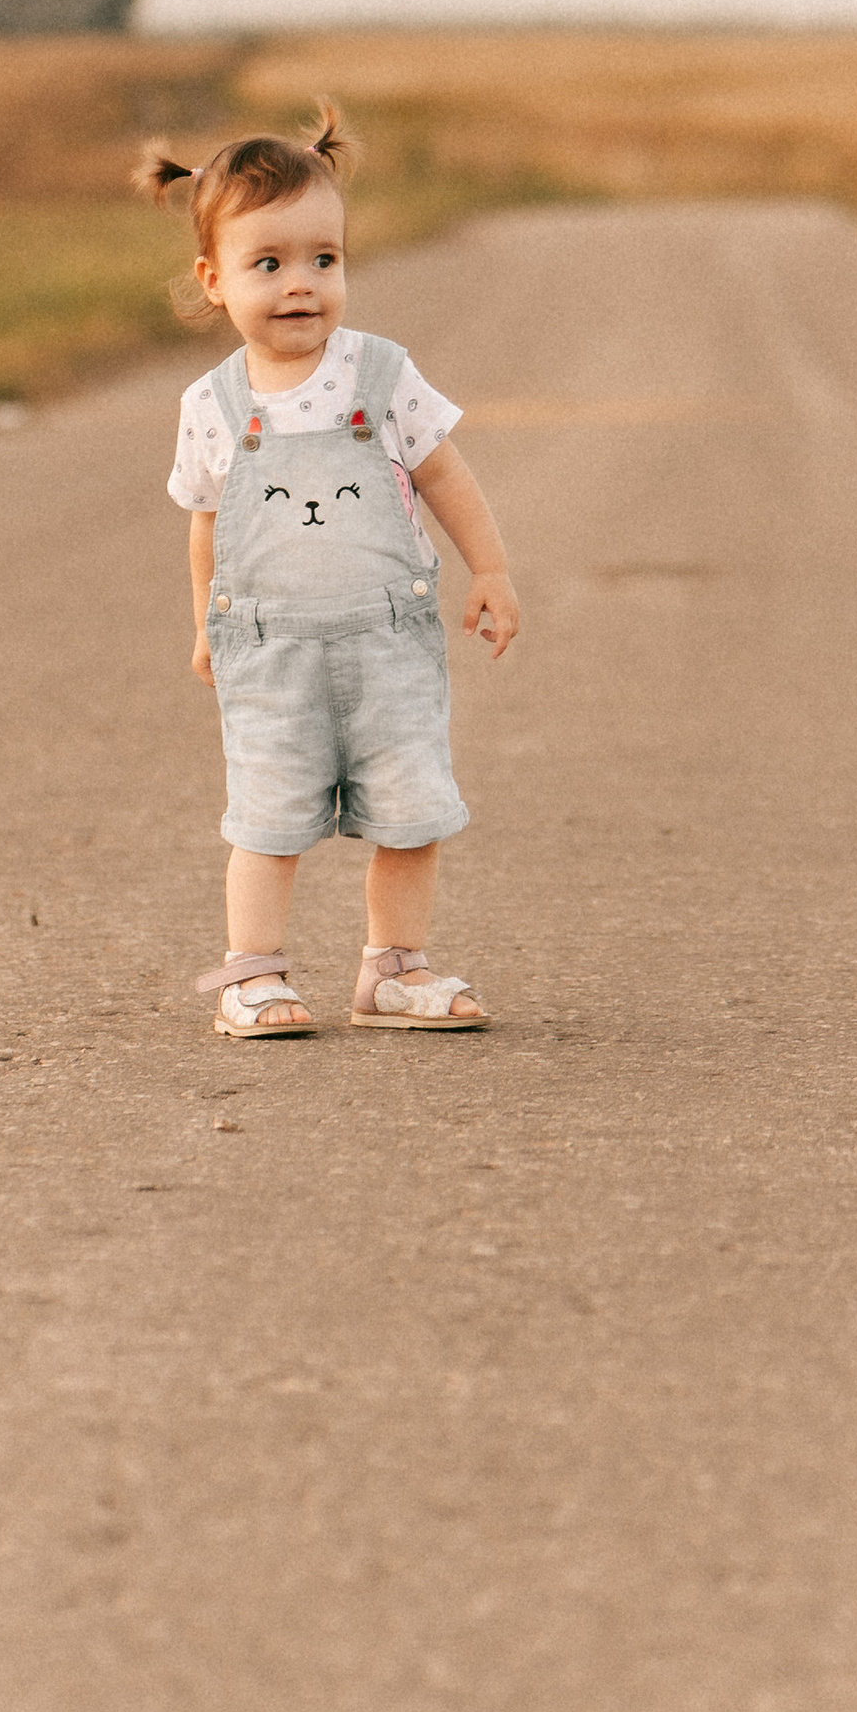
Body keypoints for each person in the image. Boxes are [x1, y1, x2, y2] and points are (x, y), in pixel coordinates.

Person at [133, 103, 521, 1038]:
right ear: (213, 280)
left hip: (389, 644)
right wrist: (205, 624)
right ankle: (253, 974)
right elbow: (208, 522)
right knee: (266, 819)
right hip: (269, 652)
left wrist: (492, 569)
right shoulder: (214, 403)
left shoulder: (381, 375)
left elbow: (442, 472)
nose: (300, 285)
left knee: (410, 813)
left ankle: (394, 970)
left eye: (324, 260)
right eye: (267, 265)